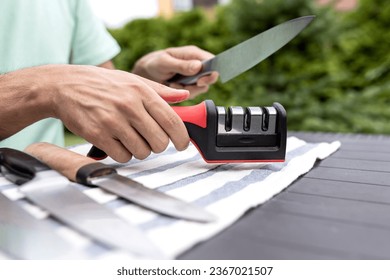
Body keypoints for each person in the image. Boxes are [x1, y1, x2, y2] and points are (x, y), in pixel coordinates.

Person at [0, 0, 218, 163]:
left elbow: (99, 90)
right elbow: (65, 85)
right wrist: (46, 88)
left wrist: (144, 80)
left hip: (45, 185)